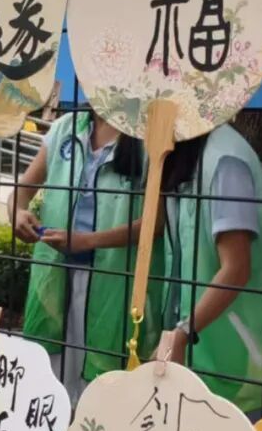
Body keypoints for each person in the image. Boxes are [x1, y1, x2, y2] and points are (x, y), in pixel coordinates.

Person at [159, 123, 262, 412]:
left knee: (240, 430)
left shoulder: (225, 162)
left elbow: (236, 269)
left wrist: (182, 333)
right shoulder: (188, 155)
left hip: (238, 351)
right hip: (206, 346)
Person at [10, 110, 162, 405]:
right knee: (50, 380)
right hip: (56, 276)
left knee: (106, 386)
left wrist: (87, 241)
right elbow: (21, 192)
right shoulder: (65, 128)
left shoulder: (148, 136)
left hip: (116, 281)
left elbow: (155, 222)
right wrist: (17, 213)